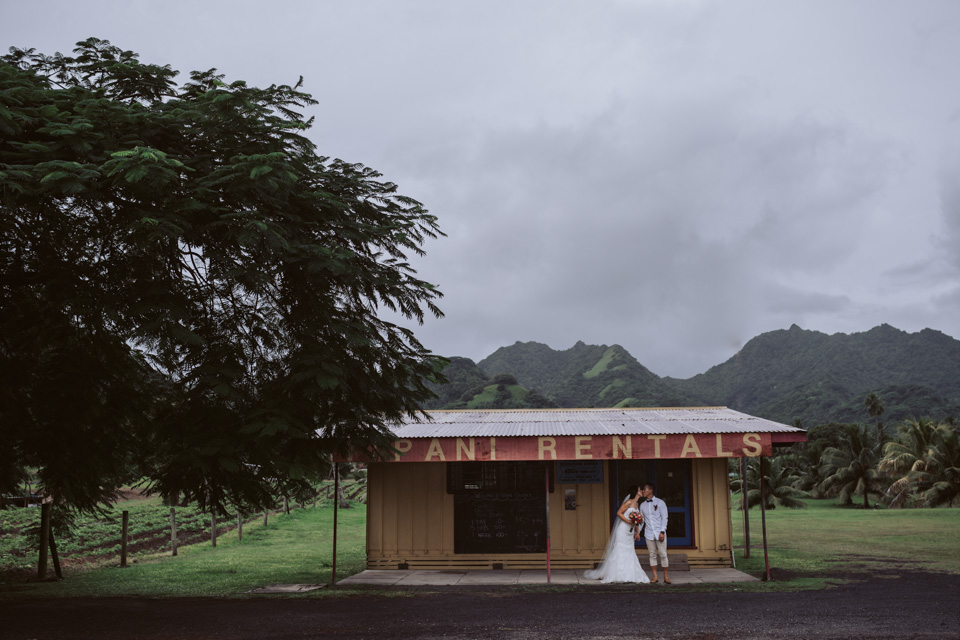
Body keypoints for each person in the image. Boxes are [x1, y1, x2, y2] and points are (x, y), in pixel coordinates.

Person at [584, 486, 650, 584]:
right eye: (640, 490)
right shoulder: (628, 502)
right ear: (636, 492)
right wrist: (628, 521)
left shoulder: (637, 504)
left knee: (630, 551)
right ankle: (617, 574)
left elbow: (636, 520)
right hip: (623, 530)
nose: (641, 491)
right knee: (620, 549)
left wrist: (637, 532)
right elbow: (619, 513)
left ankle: (629, 574)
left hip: (630, 532)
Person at [635, 482, 670, 584]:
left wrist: (662, 531)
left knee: (663, 554)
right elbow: (641, 521)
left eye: (644, 489)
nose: (643, 491)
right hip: (649, 533)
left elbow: (665, 518)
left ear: (650, 490)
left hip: (660, 533)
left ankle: (666, 576)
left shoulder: (660, 503)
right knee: (652, 555)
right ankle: (655, 576)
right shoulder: (642, 505)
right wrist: (638, 532)